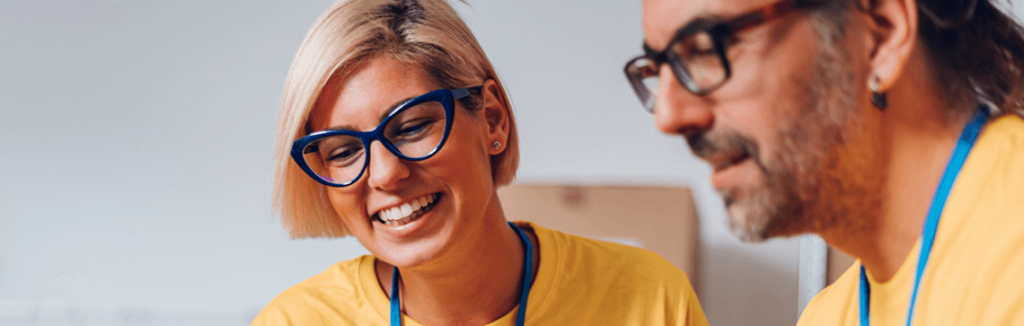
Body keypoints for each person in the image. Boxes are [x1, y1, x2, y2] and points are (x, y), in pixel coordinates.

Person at [252, 0, 709, 325]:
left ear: (492, 119)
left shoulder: (650, 300)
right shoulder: (294, 321)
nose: (386, 173)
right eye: (344, 151)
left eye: (411, 127)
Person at [625, 0, 1024, 324]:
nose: (669, 116)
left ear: (880, 35)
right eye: (658, 70)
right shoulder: (827, 316)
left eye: (708, 47)